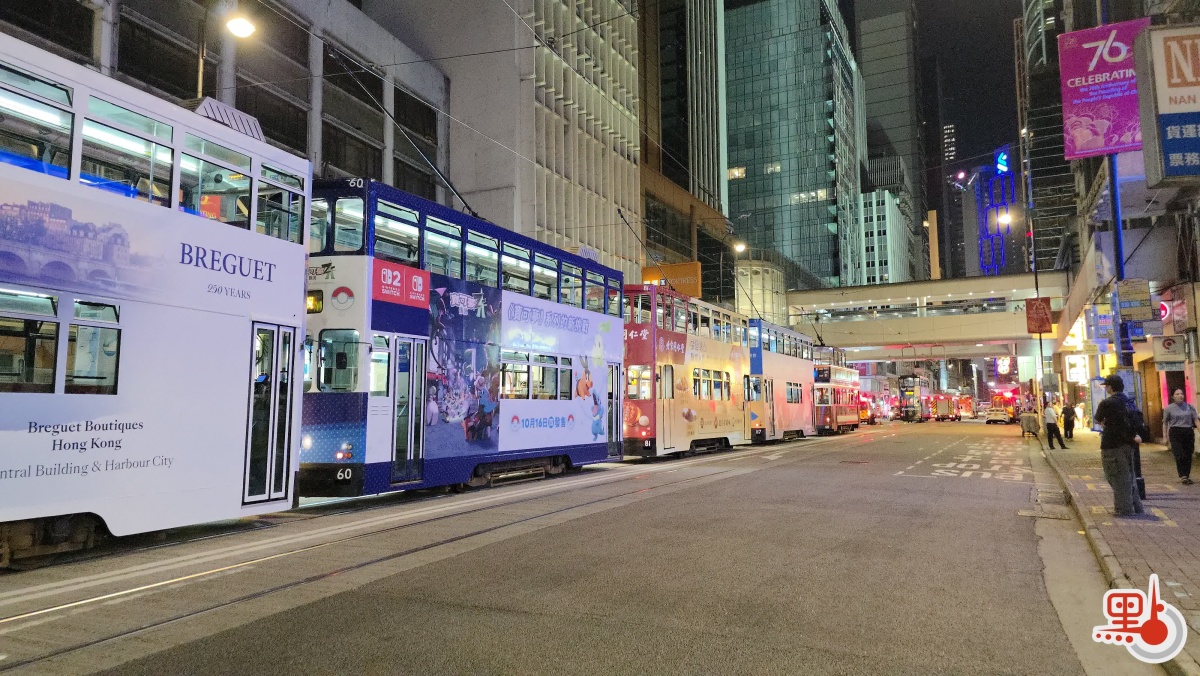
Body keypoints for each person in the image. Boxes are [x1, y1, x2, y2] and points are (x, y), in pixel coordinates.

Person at [1094, 374, 1144, 516]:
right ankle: (1136, 507)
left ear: (1110, 387)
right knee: (1129, 476)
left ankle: (1124, 509)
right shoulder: (1128, 401)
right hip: (1128, 444)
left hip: (1112, 445)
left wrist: (1106, 424)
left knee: (1116, 476)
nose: (1106, 389)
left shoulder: (1107, 403)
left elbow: (1097, 419)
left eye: (1107, 386)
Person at [1162, 388, 1200, 485]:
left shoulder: (1190, 407)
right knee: (1179, 454)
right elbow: (1165, 423)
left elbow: (1196, 420)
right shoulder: (1168, 408)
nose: (1180, 396)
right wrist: (1165, 437)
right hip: (1175, 432)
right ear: (1172, 396)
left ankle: (1186, 475)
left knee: (1188, 454)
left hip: (1188, 431)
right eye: (1177, 394)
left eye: (1182, 394)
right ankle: (1182, 474)